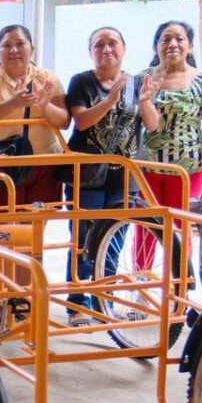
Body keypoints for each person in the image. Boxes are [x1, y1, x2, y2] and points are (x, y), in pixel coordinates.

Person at [64, 27, 142, 325]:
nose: (107, 49)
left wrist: (147, 100)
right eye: (99, 45)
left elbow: (149, 124)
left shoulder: (138, 82)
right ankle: (78, 301)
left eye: (113, 43)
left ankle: (104, 299)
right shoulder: (81, 81)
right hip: (87, 173)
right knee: (83, 238)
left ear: (124, 48)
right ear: (91, 52)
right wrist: (110, 100)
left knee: (114, 237)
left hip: (125, 173)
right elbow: (81, 122)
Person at [0, 24, 69, 205]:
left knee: (36, 225)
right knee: (4, 229)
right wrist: (13, 103)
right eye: (6, 45)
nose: (13, 50)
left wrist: (45, 105)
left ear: (31, 49)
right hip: (3, 163)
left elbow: (64, 121)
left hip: (44, 163)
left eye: (20, 44)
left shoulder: (48, 77)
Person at [138, 20, 202, 208]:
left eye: (180, 39)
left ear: (190, 47)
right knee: (147, 231)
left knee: (179, 230)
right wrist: (145, 100)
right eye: (165, 39)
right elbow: (147, 125)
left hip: (188, 172)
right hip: (146, 170)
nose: (172, 44)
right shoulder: (141, 79)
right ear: (156, 47)